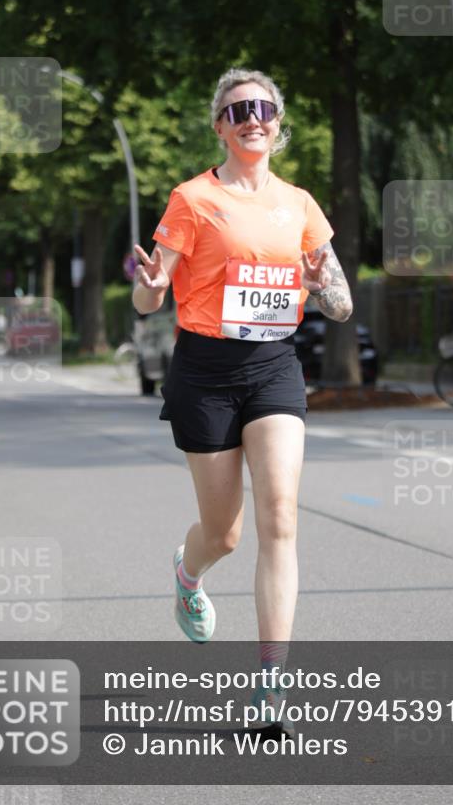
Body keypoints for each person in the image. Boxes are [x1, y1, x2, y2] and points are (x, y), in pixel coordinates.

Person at [133, 68, 353, 729]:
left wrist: (320, 286)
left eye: (262, 107)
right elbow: (151, 296)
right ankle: (188, 571)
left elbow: (341, 305)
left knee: (280, 516)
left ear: (278, 121)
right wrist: (146, 284)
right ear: (219, 127)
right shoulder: (192, 199)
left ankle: (270, 684)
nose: (250, 117)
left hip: (272, 367)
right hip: (204, 371)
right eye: (236, 110)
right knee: (224, 533)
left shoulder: (301, 205)